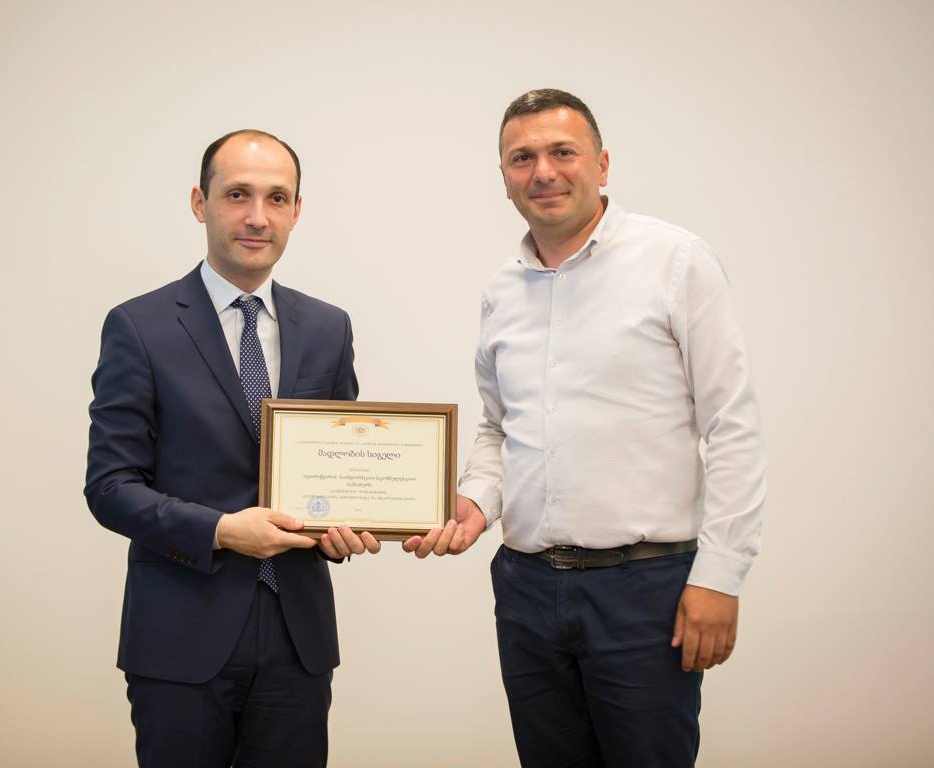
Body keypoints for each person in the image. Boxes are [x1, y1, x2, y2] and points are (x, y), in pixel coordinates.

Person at [404, 89, 767, 766]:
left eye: (562, 152)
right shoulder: (501, 291)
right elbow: (499, 428)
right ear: (504, 177)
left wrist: (721, 575)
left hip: (644, 591)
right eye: (522, 158)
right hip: (526, 588)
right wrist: (475, 502)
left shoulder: (675, 261)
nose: (542, 171)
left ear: (601, 164)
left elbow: (733, 425)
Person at [85, 129, 379, 768]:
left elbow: (341, 470)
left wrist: (346, 526)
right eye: (237, 194)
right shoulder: (139, 326)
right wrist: (221, 530)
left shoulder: (328, 328)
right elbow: (110, 488)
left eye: (277, 198)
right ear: (200, 202)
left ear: (296, 211)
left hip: (297, 639)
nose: (257, 217)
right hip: (180, 636)